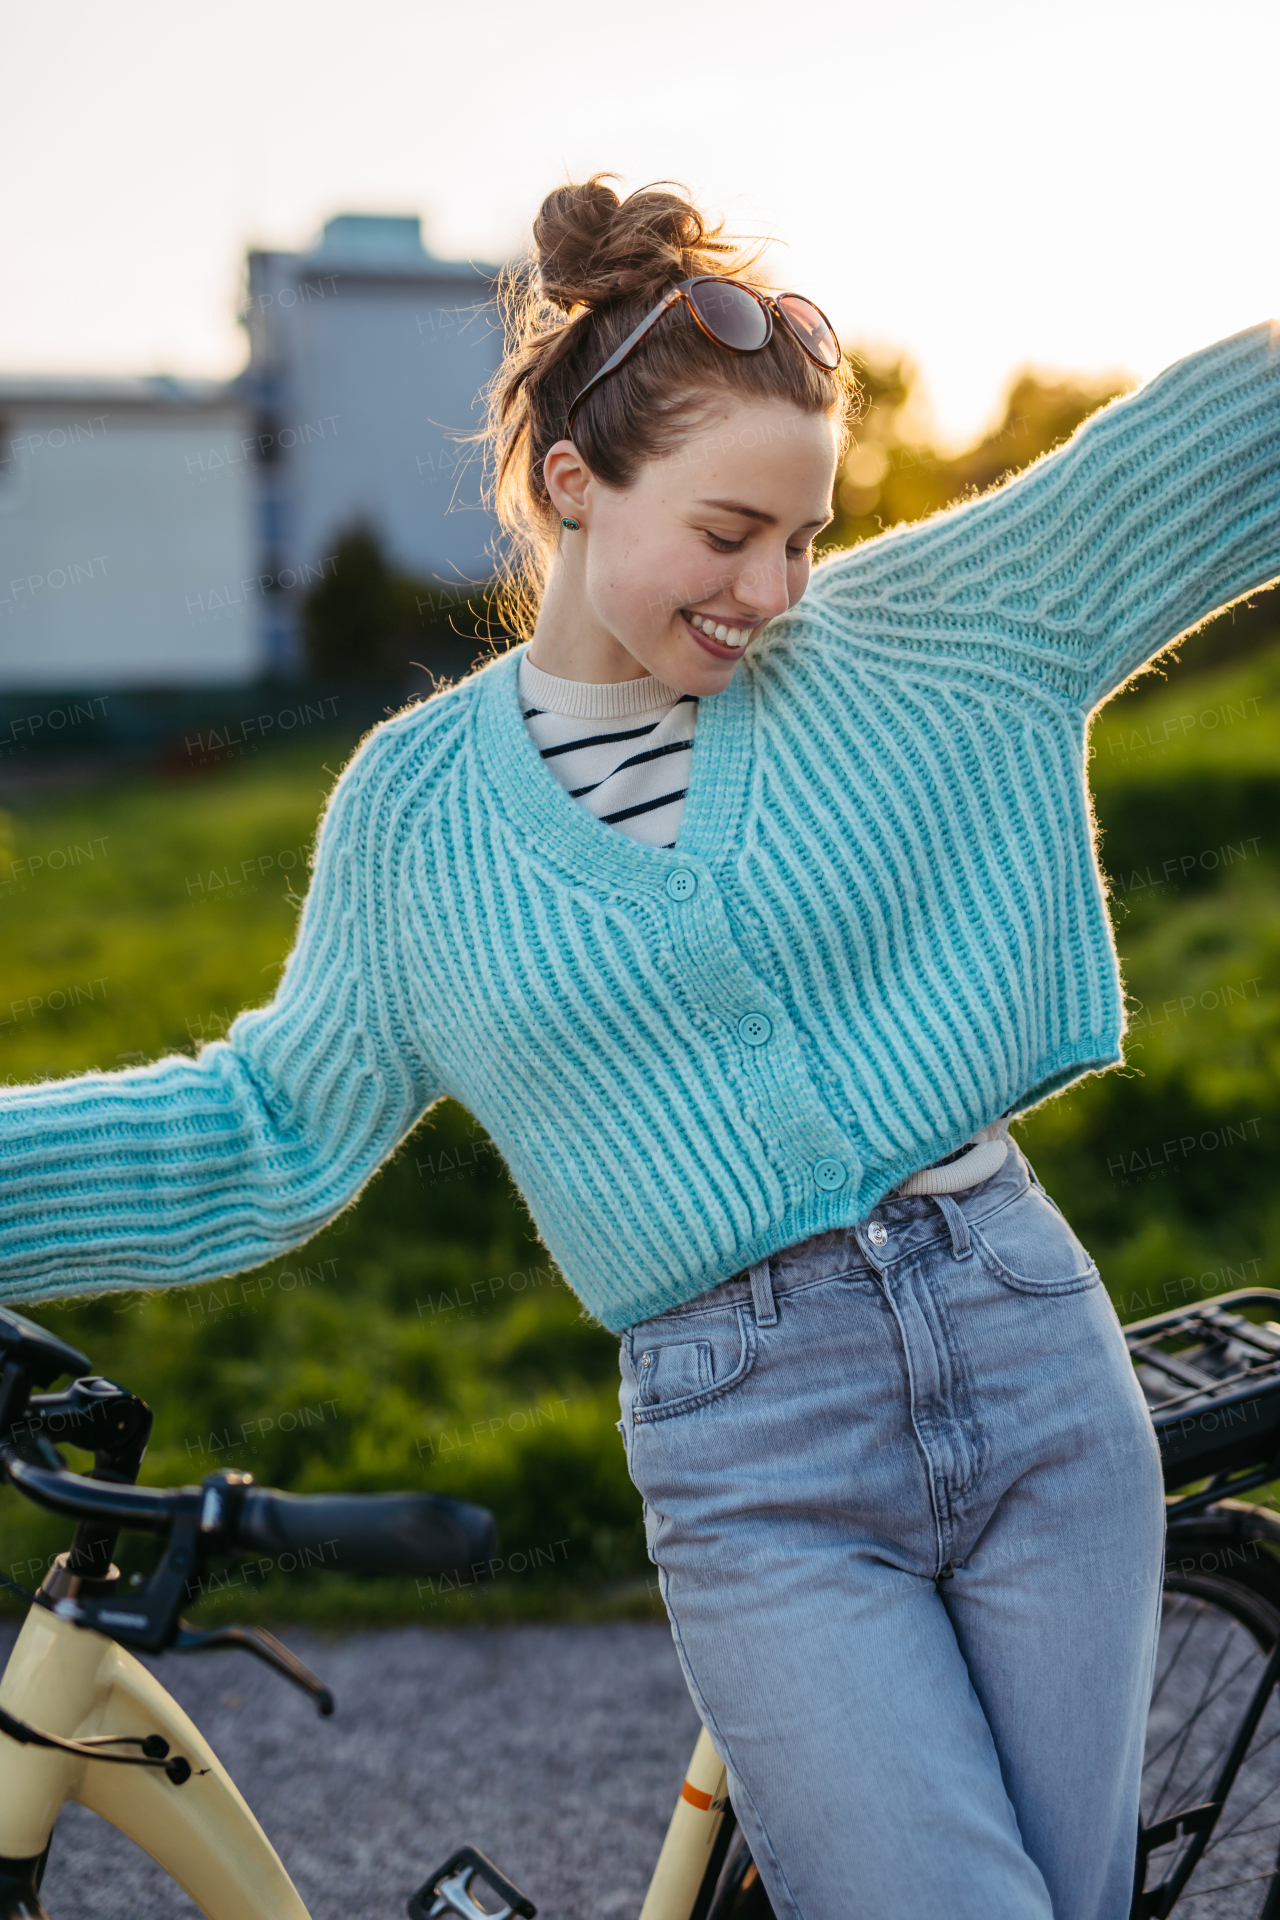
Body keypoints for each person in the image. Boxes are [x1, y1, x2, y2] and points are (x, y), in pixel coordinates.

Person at [1, 175, 1277, 1919]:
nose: (775, 588)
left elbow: (1208, 458)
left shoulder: (912, 642)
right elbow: (262, 1129)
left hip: (1030, 1352)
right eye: (731, 530)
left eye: (808, 536)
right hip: (759, 1461)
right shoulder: (419, 820)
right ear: (569, 485)